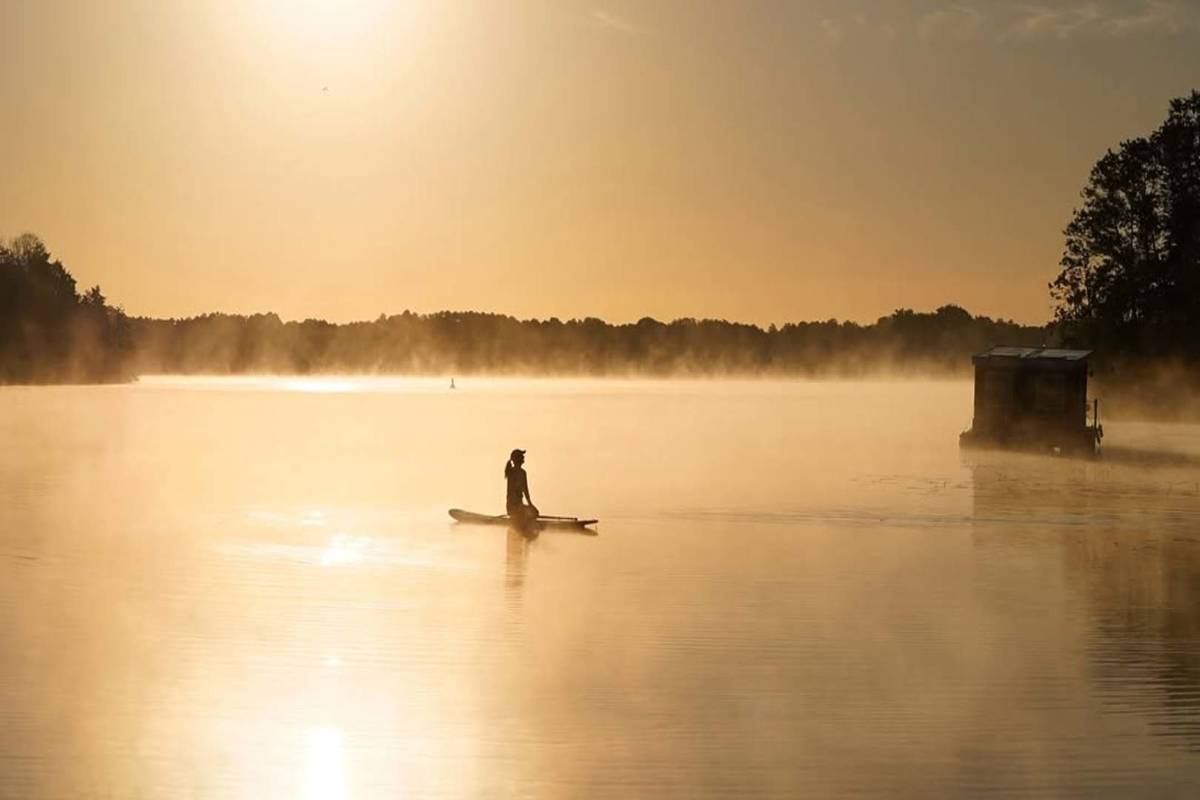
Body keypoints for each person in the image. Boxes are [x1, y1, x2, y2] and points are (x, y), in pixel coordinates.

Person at [504, 449, 539, 529]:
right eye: (522, 456)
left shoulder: (511, 472)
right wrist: (531, 506)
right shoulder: (520, 473)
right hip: (515, 507)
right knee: (535, 513)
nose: (523, 458)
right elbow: (525, 491)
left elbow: (523, 491)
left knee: (532, 513)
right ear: (518, 459)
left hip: (512, 507)